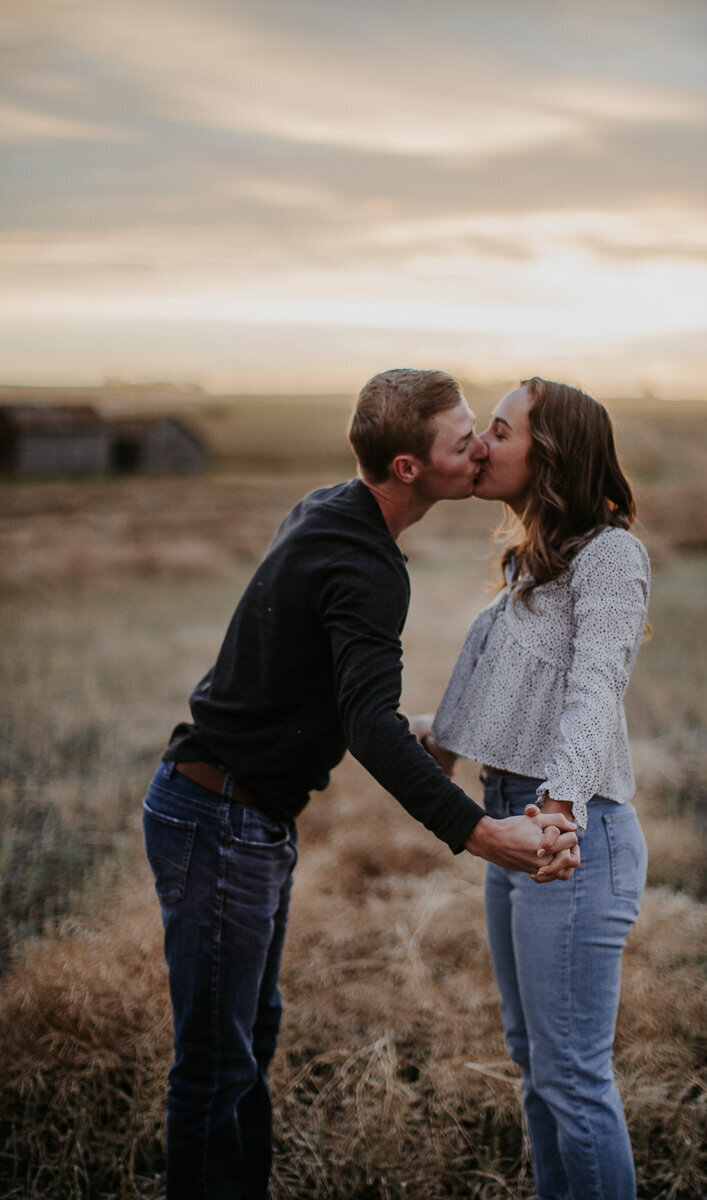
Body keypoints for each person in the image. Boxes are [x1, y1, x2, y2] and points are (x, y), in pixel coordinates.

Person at [142, 367, 580, 1200]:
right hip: (218, 818)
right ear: (409, 468)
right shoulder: (370, 564)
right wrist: (481, 833)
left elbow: (329, 684)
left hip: (239, 815)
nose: (481, 446)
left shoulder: (327, 508)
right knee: (213, 1069)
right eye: (462, 439)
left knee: (246, 1049)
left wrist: (402, 725)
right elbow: (368, 724)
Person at [416, 376, 650, 1200]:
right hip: (512, 825)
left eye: (502, 432)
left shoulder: (610, 556)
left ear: (549, 456)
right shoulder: (530, 568)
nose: (482, 445)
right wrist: (434, 737)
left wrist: (556, 807)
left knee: (573, 1080)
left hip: (571, 840)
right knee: (534, 1065)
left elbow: (595, 690)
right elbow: (510, 695)